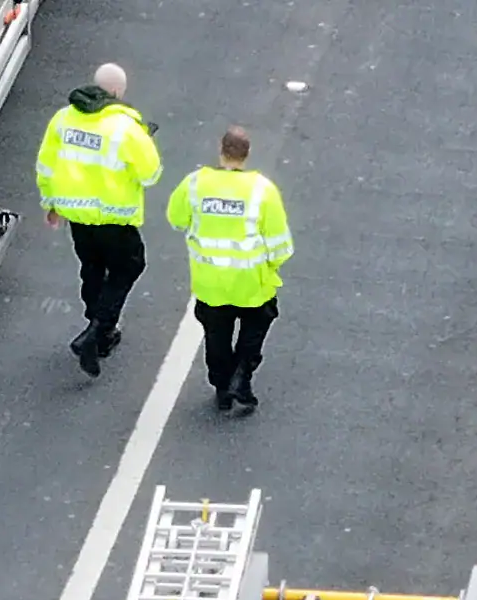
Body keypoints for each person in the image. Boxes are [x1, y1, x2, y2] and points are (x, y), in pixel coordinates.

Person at [34, 63, 162, 377]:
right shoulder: (126, 128)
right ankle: (97, 330)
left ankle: (99, 331)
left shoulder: (63, 119)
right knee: (129, 267)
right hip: (114, 218)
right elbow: (150, 175)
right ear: (117, 92)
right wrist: (145, 141)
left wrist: (51, 204)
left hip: (77, 216)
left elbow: (46, 166)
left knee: (92, 269)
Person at [167, 125, 291, 415]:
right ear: (247, 154)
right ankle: (242, 377)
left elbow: (176, 219)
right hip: (252, 284)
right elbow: (280, 246)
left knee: (216, 336)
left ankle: (222, 387)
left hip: (210, 282)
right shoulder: (263, 190)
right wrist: (269, 267)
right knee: (255, 329)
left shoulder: (195, 184)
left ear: (220, 150)